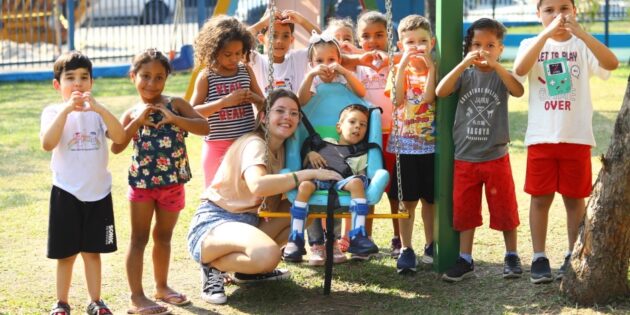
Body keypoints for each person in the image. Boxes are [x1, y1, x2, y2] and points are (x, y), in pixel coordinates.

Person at [187, 89, 342, 305]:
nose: (287, 117)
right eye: (280, 111)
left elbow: (279, 198)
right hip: (216, 223)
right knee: (269, 256)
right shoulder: (255, 144)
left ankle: (247, 272)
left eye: (294, 113)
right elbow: (258, 185)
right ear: (263, 117)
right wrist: (309, 173)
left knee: (303, 212)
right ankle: (214, 267)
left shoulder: (283, 149)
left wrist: (310, 156)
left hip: (248, 222)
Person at [513, 0, 618, 284]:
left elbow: (612, 64)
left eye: (564, 8)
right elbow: (521, 71)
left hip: (576, 137)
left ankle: (573, 253)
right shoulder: (531, 43)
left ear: (574, 11)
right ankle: (538, 256)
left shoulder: (583, 45)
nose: (558, 15)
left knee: (574, 200)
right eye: (549, 10)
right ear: (538, 15)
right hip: (541, 137)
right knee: (540, 198)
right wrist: (545, 36)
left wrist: (582, 34)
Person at [111, 49, 209, 314]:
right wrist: (137, 121)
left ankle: (162, 287)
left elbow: (205, 127)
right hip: (142, 185)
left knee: (163, 236)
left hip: (172, 185)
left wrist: (175, 119)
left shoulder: (175, 104)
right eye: (145, 76)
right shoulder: (131, 112)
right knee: (139, 238)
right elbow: (117, 147)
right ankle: (137, 296)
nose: (151, 84)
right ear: (133, 76)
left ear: (167, 78)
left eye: (158, 78)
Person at [435, 18, 525, 282]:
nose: (483, 50)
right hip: (465, 158)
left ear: (500, 49)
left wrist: (497, 66)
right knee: (465, 212)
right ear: (468, 47)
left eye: (490, 45)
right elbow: (441, 91)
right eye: (476, 44)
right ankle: (465, 258)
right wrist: (463, 64)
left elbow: (517, 90)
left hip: (495, 156)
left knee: (505, 209)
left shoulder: (501, 75)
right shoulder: (466, 74)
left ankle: (511, 255)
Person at [40, 51, 125, 315]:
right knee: (66, 254)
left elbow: (120, 137)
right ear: (58, 85)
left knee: (93, 252)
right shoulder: (54, 111)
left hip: (98, 193)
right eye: (70, 78)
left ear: (91, 83)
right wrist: (66, 110)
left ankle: (96, 301)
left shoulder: (98, 113)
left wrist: (99, 108)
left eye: (84, 78)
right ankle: (62, 303)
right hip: (66, 193)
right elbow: (47, 144)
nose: (77, 84)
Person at [282, 105, 379, 265]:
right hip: (318, 177)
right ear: (339, 127)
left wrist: (360, 184)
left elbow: (361, 177)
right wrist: (310, 154)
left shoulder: (361, 154)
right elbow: (305, 159)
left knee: (356, 181)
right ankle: (296, 238)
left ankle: (358, 235)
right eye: (353, 122)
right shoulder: (325, 142)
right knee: (304, 186)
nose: (357, 127)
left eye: (363, 125)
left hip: (342, 181)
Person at [385, 14, 437, 274]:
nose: (417, 47)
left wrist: (431, 69)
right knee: (407, 201)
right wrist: (403, 63)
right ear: (400, 45)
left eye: (423, 41)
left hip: (431, 147)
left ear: (433, 42)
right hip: (405, 147)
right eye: (410, 42)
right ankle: (406, 248)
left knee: (431, 200)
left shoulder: (436, 69)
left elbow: (429, 98)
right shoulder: (398, 71)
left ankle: (431, 244)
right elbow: (396, 99)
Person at [190, 15, 265, 187]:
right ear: (214, 51)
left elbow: (264, 105)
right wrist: (224, 102)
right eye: (228, 54)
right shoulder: (206, 76)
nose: (234, 58)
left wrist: (254, 99)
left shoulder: (245, 70)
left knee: (246, 190)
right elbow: (192, 112)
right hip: (216, 145)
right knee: (215, 190)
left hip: (245, 142)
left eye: (238, 53)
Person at [353, 10, 401, 258]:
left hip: (392, 134)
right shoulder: (357, 66)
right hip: (366, 137)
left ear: (389, 37)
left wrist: (390, 59)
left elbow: (413, 56)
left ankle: (398, 237)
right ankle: (364, 237)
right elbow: (339, 59)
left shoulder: (397, 61)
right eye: (367, 36)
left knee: (395, 189)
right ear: (359, 40)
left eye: (379, 35)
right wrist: (362, 59)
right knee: (367, 187)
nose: (373, 42)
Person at [248, 8, 321, 94]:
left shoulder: (298, 59)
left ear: (291, 40)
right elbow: (237, 39)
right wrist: (262, 23)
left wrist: (302, 21)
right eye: (274, 36)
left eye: (285, 36)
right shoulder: (255, 61)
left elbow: (324, 42)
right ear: (261, 39)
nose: (279, 41)